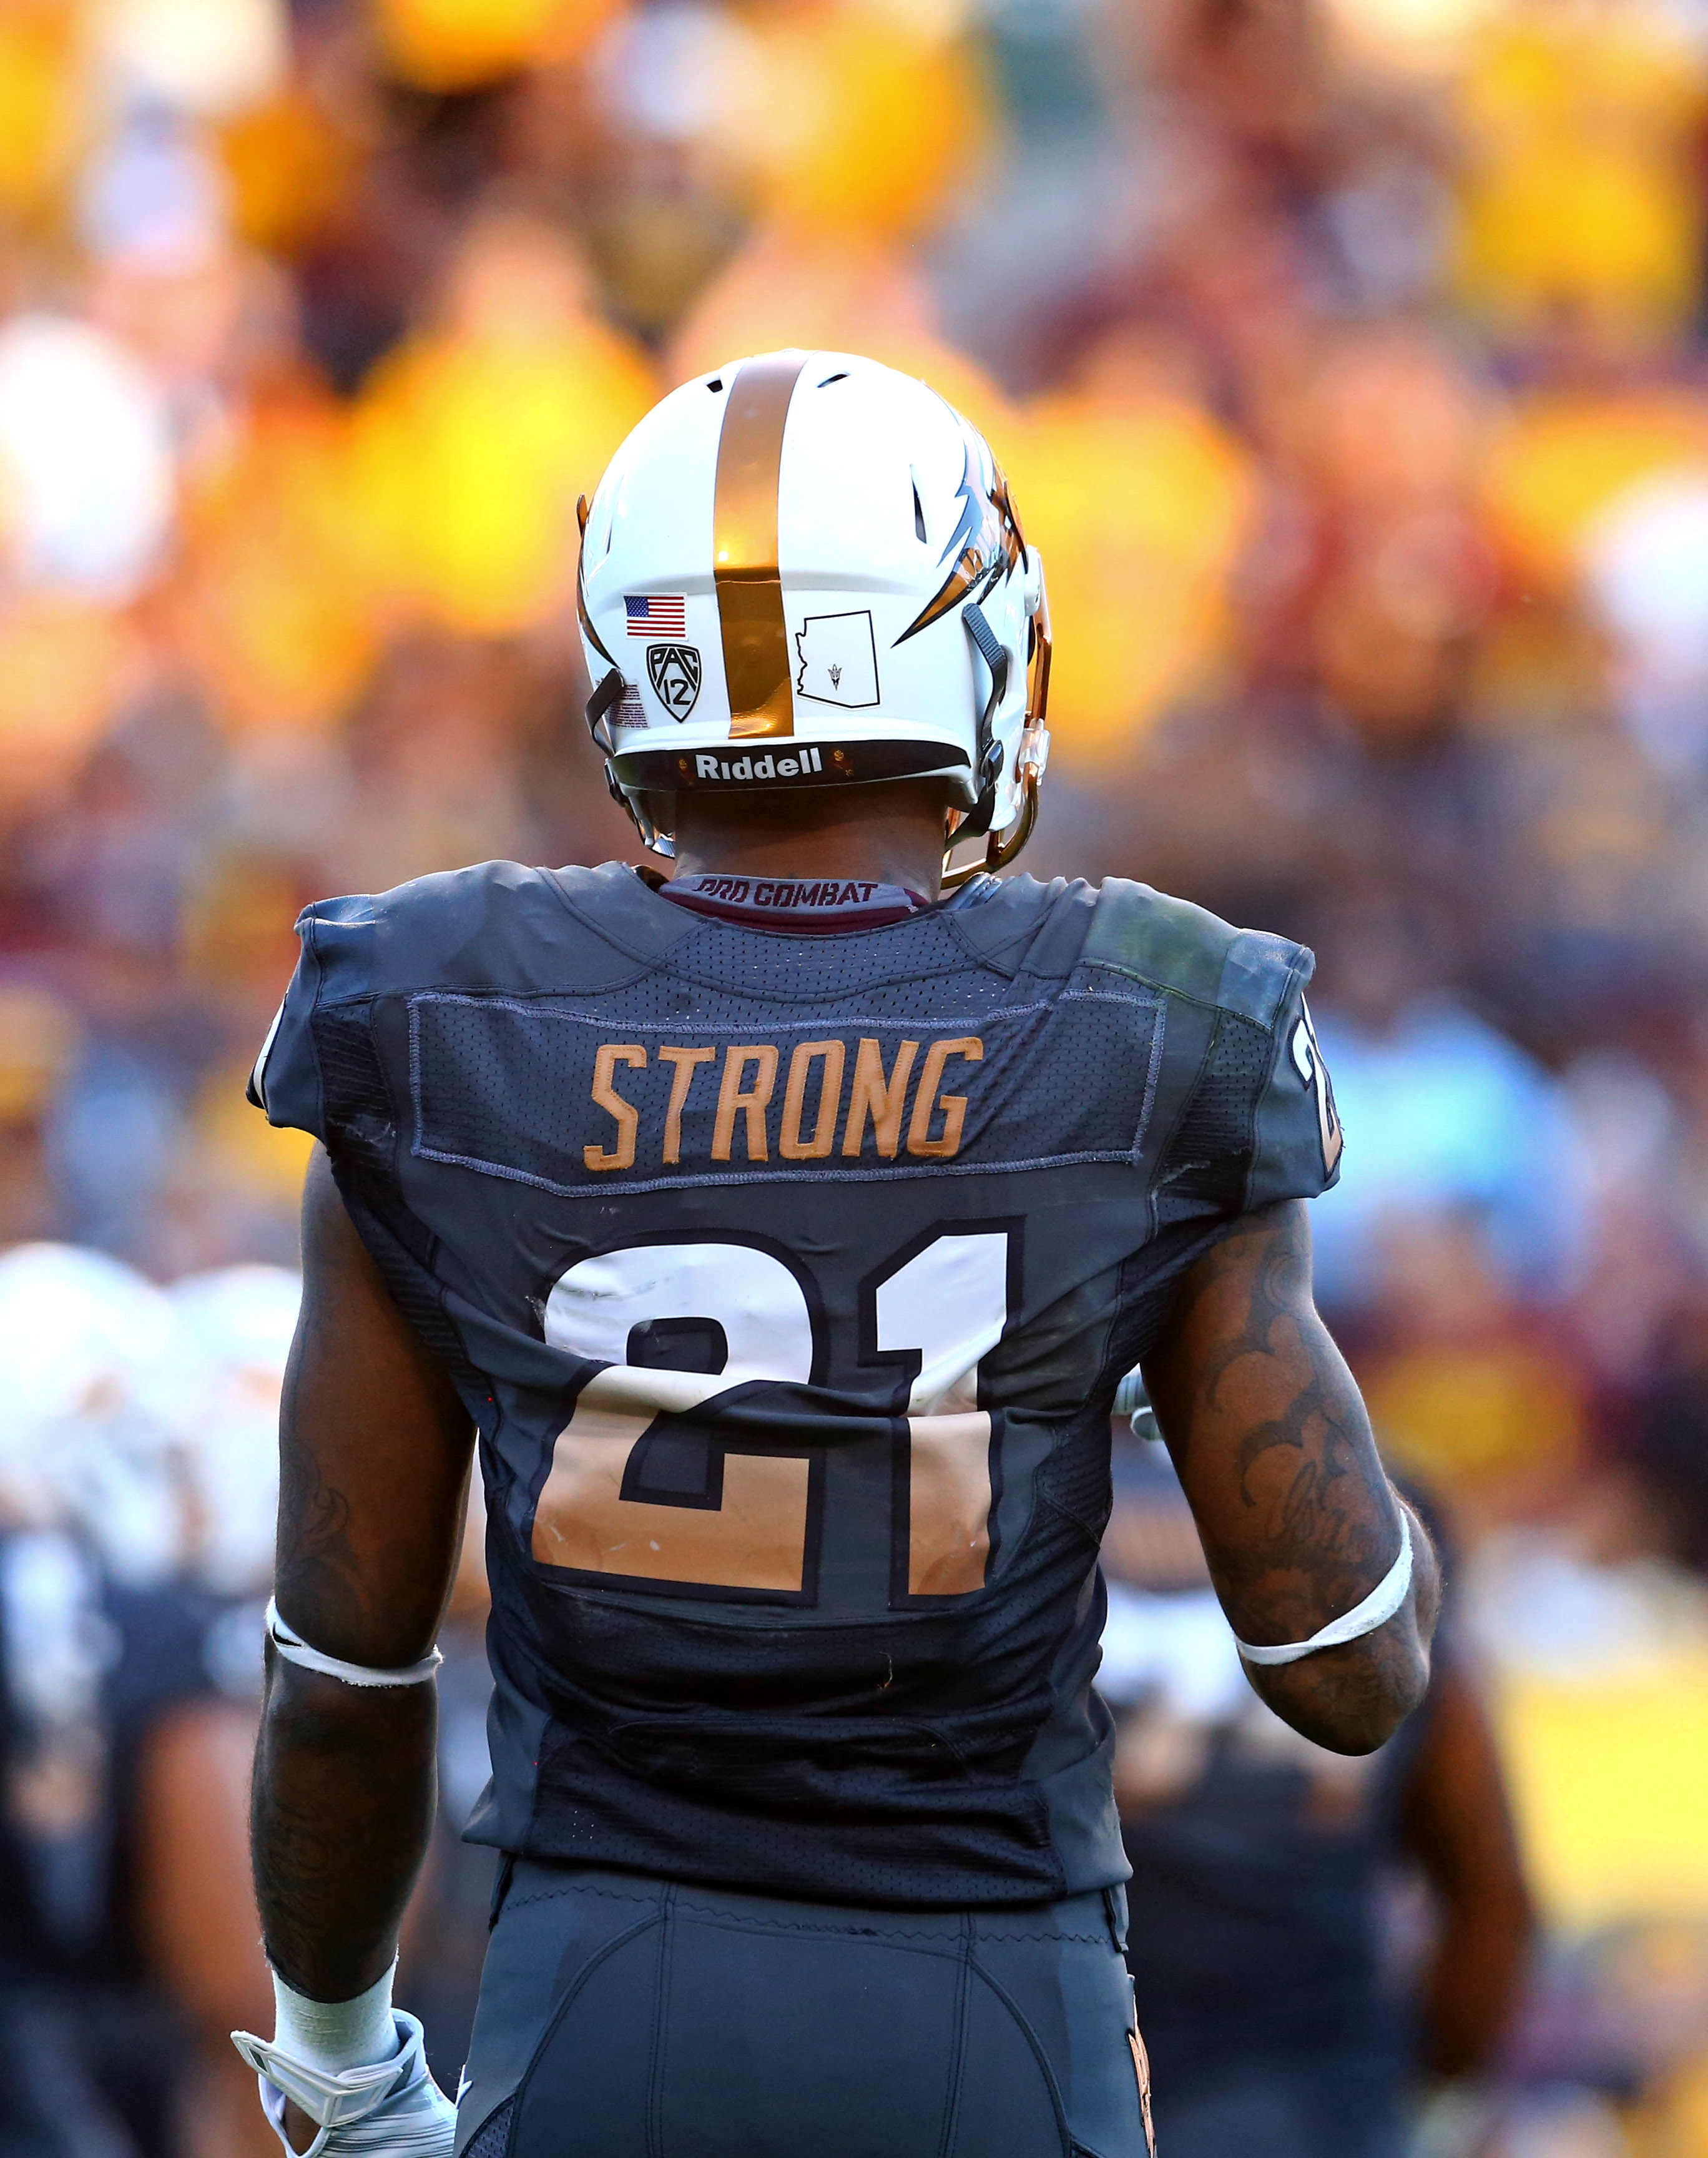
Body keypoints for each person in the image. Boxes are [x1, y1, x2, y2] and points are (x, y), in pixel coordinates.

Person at [233, 350, 1440, 2158]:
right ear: (970, 636)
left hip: (598, 1988)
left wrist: (340, 2058)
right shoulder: (1153, 1019)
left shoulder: (434, 1012)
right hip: (993, 2003)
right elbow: (1347, 1672)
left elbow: (346, 1667)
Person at [1099, 1435, 1533, 2158]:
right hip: (1307, 2083)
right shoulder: (1368, 1494)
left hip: (1041, 2054)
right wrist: (1429, 2087)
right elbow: (1493, 1895)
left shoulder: (990, 1482)